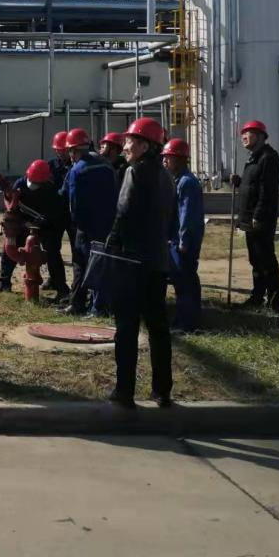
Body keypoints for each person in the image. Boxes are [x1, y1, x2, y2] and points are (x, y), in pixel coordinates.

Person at [103, 117, 175, 408]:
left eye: (130, 141)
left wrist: (112, 244)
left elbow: (123, 212)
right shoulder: (167, 177)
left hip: (132, 263)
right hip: (157, 262)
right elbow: (171, 220)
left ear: (145, 146)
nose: (125, 146)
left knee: (127, 328)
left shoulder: (134, 173)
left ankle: (124, 391)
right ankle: (162, 391)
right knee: (158, 328)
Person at [59, 127, 117, 315]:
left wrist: (76, 223)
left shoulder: (77, 170)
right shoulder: (107, 165)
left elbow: (73, 202)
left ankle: (77, 304)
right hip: (107, 224)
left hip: (86, 226)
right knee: (100, 263)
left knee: (80, 264)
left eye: (70, 151)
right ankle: (99, 305)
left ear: (74, 150)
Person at [0, 159, 65, 294]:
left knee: (52, 253)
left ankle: (61, 289)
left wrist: (40, 224)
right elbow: (13, 206)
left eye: (36, 183)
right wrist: (20, 222)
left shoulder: (51, 190)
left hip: (45, 226)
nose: (32, 184)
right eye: (31, 180)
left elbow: (54, 214)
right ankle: (4, 283)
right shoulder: (20, 184)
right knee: (9, 249)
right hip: (23, 223)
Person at [233, 120, 279, 312]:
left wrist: (259, 215)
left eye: (248, 133)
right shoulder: (253, 158)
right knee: (256, 260)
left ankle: (274, 302)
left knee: (266, 260)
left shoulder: (268, 157)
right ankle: (257, 297)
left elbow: (266, 189)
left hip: (260, 219)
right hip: (249, 217)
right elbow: (252, 185)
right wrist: (239, 182)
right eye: (243, 134)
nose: (243, 137)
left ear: (261, 136)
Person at [162, 137, 204, 333]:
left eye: (168, 157)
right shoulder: (179, 180)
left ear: (179, 159)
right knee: (182, 281)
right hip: (178, 239)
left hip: (184, 241)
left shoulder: (187, 183)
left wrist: (184, 241)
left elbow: (187, 215)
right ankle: (183, 319)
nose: (164, 161)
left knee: (185, 281)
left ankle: (187, 323)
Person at [42, 131, 74, 302]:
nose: (60, 153)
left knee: (78, 252)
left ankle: (79, 287)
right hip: (55, 215)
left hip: (72, 215)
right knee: (52, 249)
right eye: (58, 150)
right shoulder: (51, 165)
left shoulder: (77, 165)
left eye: (63, 150)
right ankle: (56, 281)